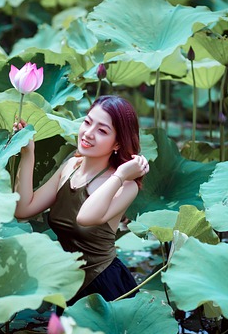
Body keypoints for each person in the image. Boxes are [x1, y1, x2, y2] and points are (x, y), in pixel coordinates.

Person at [13, 95, 149, 305]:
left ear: (118, 144)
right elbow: (23, 209)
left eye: (102, 131)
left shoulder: (125, 186)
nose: (88, 133)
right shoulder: (70, 166)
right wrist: (27, 153)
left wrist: (121, 174)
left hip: (104, 286)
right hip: (68, 284)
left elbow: (85, 217)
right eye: (87, 122)